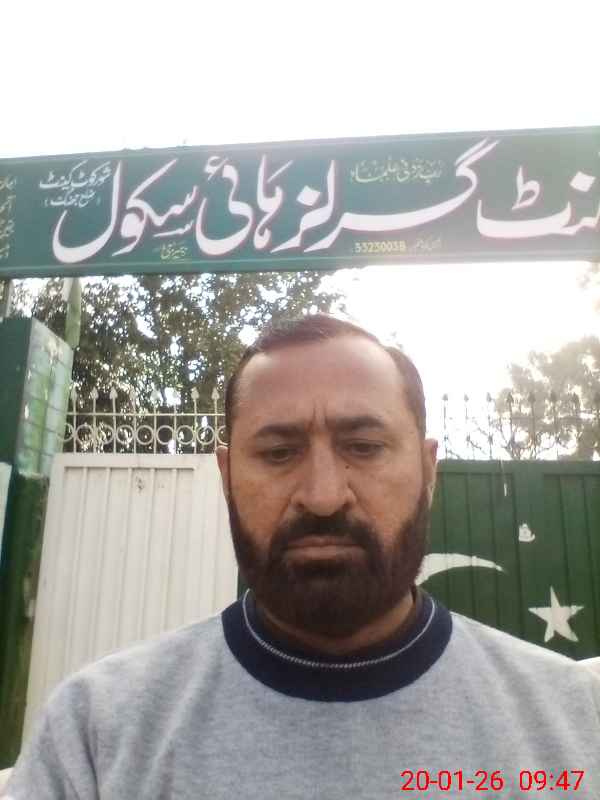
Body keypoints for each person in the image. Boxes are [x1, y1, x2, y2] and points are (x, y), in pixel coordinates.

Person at [4, 313, 600, 799]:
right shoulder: (98, 734)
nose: (322, 496)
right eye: (278, 452)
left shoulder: (576, 721)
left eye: (364, 447)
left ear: (427, 470)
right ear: (226, 476)